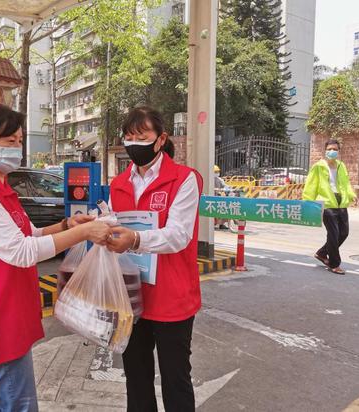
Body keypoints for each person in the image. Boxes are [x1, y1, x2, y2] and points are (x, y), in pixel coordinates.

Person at [0, 104, 111, 412]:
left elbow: (29, 234)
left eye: (20, 140)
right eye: (9, 141)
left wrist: (66, 225)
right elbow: (22, 252)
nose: (18, 148)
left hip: (7, 308)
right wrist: (85, 234)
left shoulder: (0, 188)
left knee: (6, 399)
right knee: (18, 403)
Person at [107, 106, 203, 412]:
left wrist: (135, 239)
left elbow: (178, 235)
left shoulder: (184, 180)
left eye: (142, 135)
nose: (134, 142)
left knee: (175, 379)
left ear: (160, 139)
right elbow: (112, 223)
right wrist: (95, 226)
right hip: (131, 296)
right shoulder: (119, 183)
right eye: (129, 136)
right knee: (136, 378)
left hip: (172, 297)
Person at [303, 139, 357, 275]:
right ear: (325, 151)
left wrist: (351, 195)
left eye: (335, 149)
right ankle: (334, 264)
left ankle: (321, 253)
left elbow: (345, 184)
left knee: (344, 233)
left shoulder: (341, 166)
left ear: (339, 151)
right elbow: (311, 185)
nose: (332, 151)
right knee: (333, 234)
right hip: (326, 204)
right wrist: (308, 202)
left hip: (341, 202)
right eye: (329, 149)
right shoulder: (319, 166)